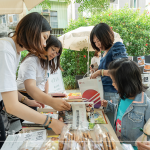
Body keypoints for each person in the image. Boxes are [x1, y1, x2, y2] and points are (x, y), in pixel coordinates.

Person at [0, 12, 70, 148]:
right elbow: (12, 105)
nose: (44, 44)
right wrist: (51, 122)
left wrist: (27, 101)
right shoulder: (6, 50)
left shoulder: (15, 51)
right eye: (44, 37)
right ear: (33, 31)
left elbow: (8, 88)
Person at [101, 58, 150, 150]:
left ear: (126, 83)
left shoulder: (146, 105)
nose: (112, 84)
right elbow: (119, 111)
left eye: (114, 81)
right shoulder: (123, 97)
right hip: (119, 144)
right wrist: (108, 105)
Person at [90, 23, 128, 126]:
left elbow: (122, 69)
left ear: (106, 36)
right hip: (103, 93)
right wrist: (97, 71)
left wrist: (100, 72)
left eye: (99, 40)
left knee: (110, 126)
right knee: (104, 124)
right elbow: (108, 70)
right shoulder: (104, 53)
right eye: (95, 42)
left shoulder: (117, 46)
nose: (97, 44)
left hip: (112, 93)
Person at [17, 35, 68, 111]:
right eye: (53, 49)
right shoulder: (31, 61)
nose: (54, 54)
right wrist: (50, 101)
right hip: (24, 97)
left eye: (56, 53)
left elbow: (46, 80)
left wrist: (45, 96)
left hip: (37, 97)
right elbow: (31, 88)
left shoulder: (45, 62)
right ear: (45, 45)